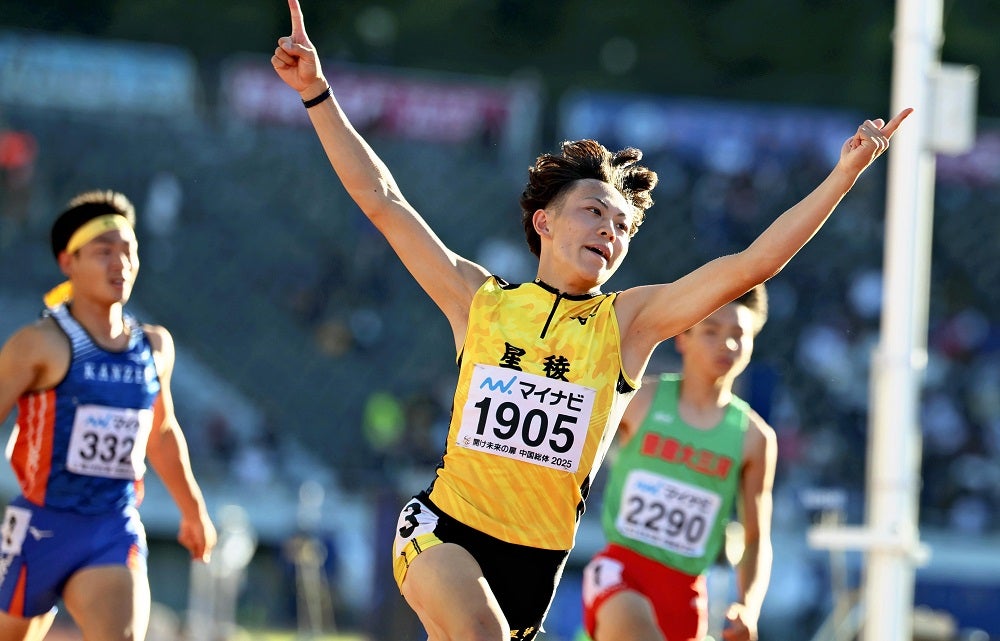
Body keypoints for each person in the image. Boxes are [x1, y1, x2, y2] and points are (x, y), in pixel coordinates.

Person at [271, 2, 910, 639]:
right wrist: (318, 94)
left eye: (624, 227)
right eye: (594, 213)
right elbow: (383, 201)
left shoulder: (628, 324)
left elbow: (752, 265)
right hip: (445, 530)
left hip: (536, 567)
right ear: (545, 221)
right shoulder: (480, 300)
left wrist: (845, 173)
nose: (610, 231)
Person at [0, 190, 217, 641]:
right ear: (68, 262)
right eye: (103, 252)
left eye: (128, 251)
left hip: (111, 527)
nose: (120, 263)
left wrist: (192, 508)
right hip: (40, 526)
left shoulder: (154, 347)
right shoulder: (40, 344)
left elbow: (160, 433)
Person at [581, 285, 774, 641]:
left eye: (738, 335)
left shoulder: (754, 439)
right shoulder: (640, 400)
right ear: (682, 337)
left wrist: (749, 605)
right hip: (621, 571)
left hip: (686, 595)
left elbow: (755, 537)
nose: (726, 345)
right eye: (711, 331)